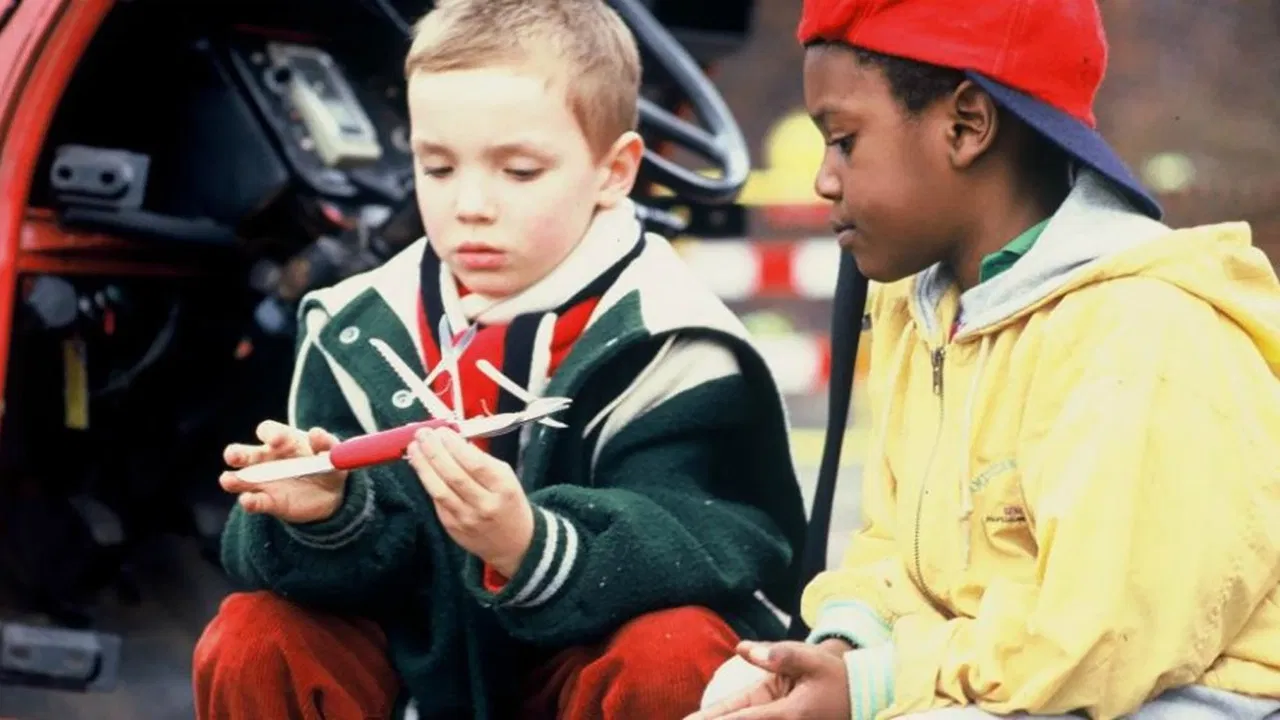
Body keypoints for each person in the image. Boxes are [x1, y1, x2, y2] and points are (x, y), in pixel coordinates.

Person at [191, 0, 808, 717]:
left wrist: (531, 545)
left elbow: (721, 542)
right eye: (437, 167)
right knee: (256, 635)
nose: (471, 205)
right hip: (419, 669)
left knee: (674, 652)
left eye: (518, 171)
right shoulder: (357, 324)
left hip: (581, 667)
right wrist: (327, 515)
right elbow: (321, 577)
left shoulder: (670, 340)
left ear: (615, 171)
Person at [691, 0, 1280, 719]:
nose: (824, 180)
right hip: (1005, 686)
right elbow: (895, 551)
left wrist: (874, 689)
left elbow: (1101, 640)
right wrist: (842, 650)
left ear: (967, 124)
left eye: (844, 141)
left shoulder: (1140, 328)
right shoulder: (927, 308)